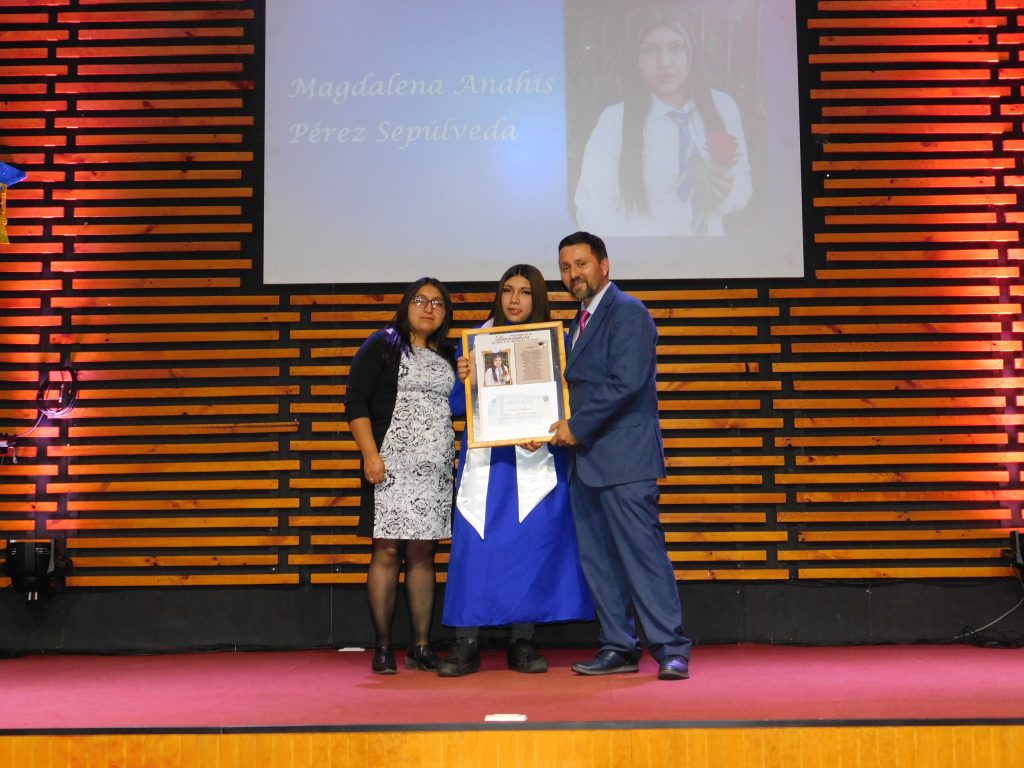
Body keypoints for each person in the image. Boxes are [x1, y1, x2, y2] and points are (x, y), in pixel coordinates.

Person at [549, 231, 692, 681]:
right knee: (600, 562)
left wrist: (575, 426)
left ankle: (671, 648)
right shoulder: (577, 322)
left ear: (604, 265)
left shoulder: (628, 312)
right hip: (586, 463)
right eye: (566, 267)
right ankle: (619, 646)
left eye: (581, 264)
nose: (573, 274)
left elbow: (625, 382)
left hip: (625, 460)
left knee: (642, 556)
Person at [439, 264, 594, 677]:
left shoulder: (556, 343)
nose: (514, 300)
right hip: (488, 463)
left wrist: (546, 430)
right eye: (508, 290)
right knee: (476, 547)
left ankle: (522, 640)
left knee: (531, 545)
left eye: (525, 292)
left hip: (536, 454)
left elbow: (570, 402)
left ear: (537, 298)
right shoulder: (477, 342)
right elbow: (457, 407)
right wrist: (465, 378)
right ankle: (466, 642)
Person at [345, 277, 456, 675]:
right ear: (406, 305)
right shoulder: (382, 344)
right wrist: (370, 455)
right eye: (420, 300)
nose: (428, 308)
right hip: (389, 465)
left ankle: (421, 645)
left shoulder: (450, 354)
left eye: (438, 303)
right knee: (388, 552)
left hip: (435, 469)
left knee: (424, 555)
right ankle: (383, 646)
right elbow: (355, 401)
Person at [574, 3, 751, 237]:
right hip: (646, 255)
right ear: (635, 58)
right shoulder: (614, 121)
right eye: (649, 50)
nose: (664, 61)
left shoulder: (722, 107)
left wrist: (726, 193)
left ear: (691, 52)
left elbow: (743, 188)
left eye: (676, 47)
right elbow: (592, 212)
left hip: (711, 253)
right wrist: (654, 246)